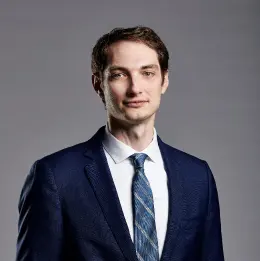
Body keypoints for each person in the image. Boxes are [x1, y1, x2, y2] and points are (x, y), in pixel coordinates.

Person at [16, 26, 225, 261]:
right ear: (98, 85)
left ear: (164, 80)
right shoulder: (57, 176)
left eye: (147, 73)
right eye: (119, 74)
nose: (135, 88)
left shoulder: (197, 176)